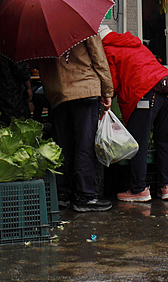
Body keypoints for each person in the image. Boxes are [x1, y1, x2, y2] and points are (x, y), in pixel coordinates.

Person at [35, 34, 114, 212]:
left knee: (62, 144)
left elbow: (35, 62)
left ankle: (61, 195)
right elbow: (98, 57)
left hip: (57, 93)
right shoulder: (82, 25)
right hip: (84, 89)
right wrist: (107, 90)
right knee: (84, 144)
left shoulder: (42, 30)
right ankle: (86, 196)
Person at [99, 25, 168, 203]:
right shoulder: (133, 43)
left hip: (145, 92)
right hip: (167, 86)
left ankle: (138, 189)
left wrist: (107, 97)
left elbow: (112, 82)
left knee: (138, 142)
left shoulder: (107, 49)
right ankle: (167, 187)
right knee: (165, 140)